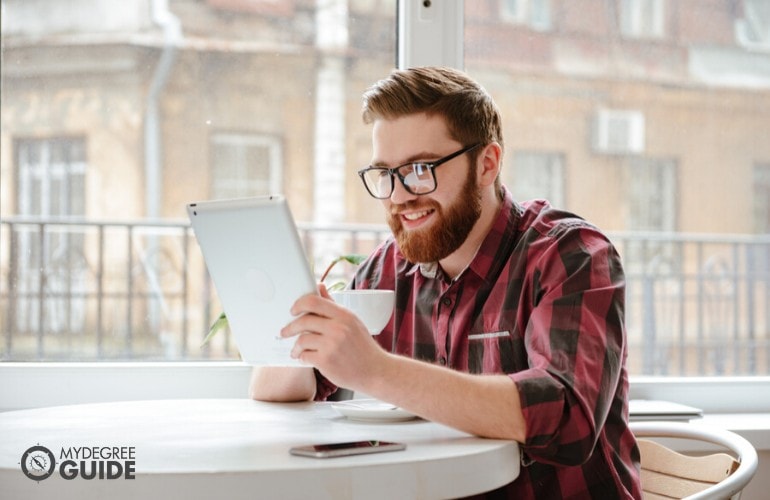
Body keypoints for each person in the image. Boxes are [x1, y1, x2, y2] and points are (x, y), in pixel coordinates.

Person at [250, 66, 642, 499]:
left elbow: (567, 417)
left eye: (420, 169)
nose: (399, 196)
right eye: (386, 174)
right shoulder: (388, 269)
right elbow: (282, 389)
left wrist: (376, 370)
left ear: (486, 164)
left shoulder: (569, 256)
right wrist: (304, 331)